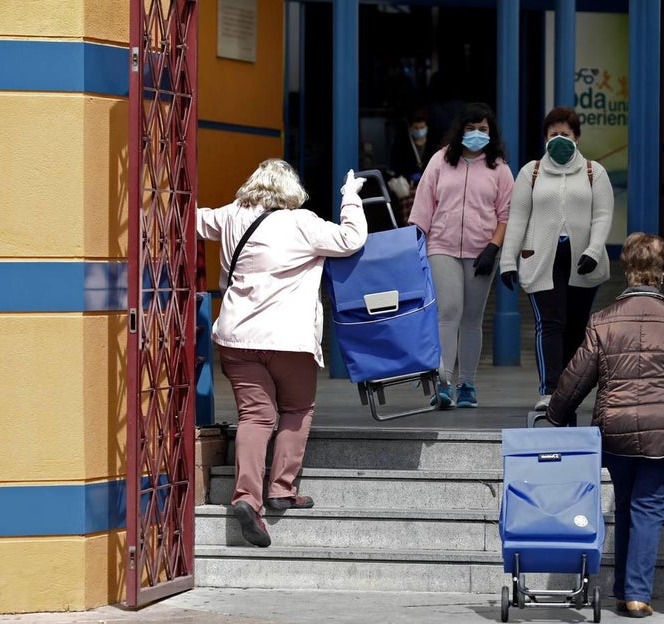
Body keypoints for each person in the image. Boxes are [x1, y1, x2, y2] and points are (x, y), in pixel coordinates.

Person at [197, 161, 368, 547]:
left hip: (237, 337)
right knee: (296, 410)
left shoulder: (230, 216)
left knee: (255, 417)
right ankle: (281, 489)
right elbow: (351, 239)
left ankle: (246, 498)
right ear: (292, 190)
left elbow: (190, 219)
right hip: (287, 340)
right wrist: (350, 197)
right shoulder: (301, 222)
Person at [545, 233, 664, 618]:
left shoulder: (602, 321)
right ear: (662, 272)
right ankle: (636, 594)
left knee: (624, 504)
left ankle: (623, 591)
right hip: (663, 430)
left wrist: (555, 416)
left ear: (626, 270)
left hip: (615, 429)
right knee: (648, 506)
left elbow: (574, 379)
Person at [498, 106, 614, 411]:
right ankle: (550, 390)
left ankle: (569, 390)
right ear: (544, 138)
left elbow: (602, 216)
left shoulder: (594, 172)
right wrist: (508, 260)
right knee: (550, 323)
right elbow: (518, 218)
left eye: (565, 134)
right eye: (553, 134)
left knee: (576, 327)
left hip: (582, 260)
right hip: (541, 258)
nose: (559, 139)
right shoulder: (530, 172)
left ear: (577, 137)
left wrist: (594, 249)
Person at [409, 102, 514, 409]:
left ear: (491, 133)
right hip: (441, 247)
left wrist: (493, 247)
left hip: (483, 252)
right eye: (471, 128)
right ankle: (443, 383)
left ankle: (467, 384)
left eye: (483, 129)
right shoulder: (440, 161)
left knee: (471, 319)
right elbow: (423, 205)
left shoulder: (500, 168)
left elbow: (506, 213)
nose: (477, 134)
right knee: (448, 311)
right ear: (460, 130)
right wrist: (416, 244)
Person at [389, 110, 439, 224]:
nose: (419, 131)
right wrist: (408, 176)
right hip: (409, 188)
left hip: (431, 185)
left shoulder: (434, 141)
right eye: (416, 128)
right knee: (411, 216)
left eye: (422, 127)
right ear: (411, 128)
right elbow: (395, 166)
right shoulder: (401, 142)